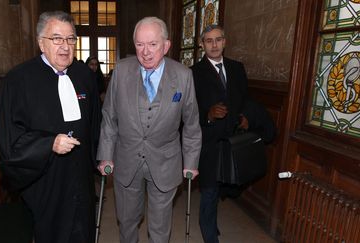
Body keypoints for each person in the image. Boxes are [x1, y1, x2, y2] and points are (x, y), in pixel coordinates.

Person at [0, 11, 100, 243]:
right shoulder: (18, 80)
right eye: (57, 39)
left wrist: (99, 158)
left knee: (83, 231)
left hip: (81, 177)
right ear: (41, 43)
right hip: (45, 181)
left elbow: (95, 124)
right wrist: (49, 143)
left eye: (71, 39)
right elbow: (9, 140)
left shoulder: (84, 75)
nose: (65, 46)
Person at [96, 16, 201, 243]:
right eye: (139, 44)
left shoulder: (183, 76)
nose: (145, 52)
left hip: (165, 160)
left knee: (160, 227)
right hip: (126, 158)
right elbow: (109, 117)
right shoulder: (121, 71)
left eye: (153, 44)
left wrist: (191, 162)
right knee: (127, 221)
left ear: (166, 45)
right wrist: (105, 156)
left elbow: (192, 124)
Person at [192, 24, 275, 243]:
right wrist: (207, 115)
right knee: (209, 192)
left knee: (224, 187)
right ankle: (210, 236)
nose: (214, 45)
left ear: (225, 42)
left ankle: (212, 224)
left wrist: (246, 117)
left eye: (218, 39)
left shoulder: (237, 68)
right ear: (202, 45)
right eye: (208, 41)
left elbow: (245, 98)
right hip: (209, 143)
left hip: (233, 141)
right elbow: (187, 110)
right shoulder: (193, 73)